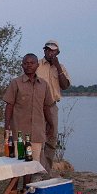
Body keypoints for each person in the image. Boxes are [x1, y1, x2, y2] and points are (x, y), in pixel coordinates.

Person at [3, 53, 55, 194]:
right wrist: (6, 127)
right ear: (22, 65)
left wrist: (50, 124)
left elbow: (47, 107)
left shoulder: (44, 85)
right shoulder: (15, 83)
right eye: (25, 63)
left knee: (30, 165)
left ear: (37, 65)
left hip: (37, 132)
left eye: (32, 63)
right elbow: (9, 105)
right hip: (19, 132)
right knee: (16, 166)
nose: (28, 65)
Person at [36, 39, 71, 175]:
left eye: (54, 51)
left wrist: (58, 67)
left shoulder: (60, 67)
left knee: (51, 139)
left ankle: (47, 171)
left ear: (57, 53)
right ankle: (38, 171)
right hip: (38, 106)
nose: (51, 53)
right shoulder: (36, 65)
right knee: (38, 139)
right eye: (48, 50)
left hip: (51, 107)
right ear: (44, 50)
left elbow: (65, 86)